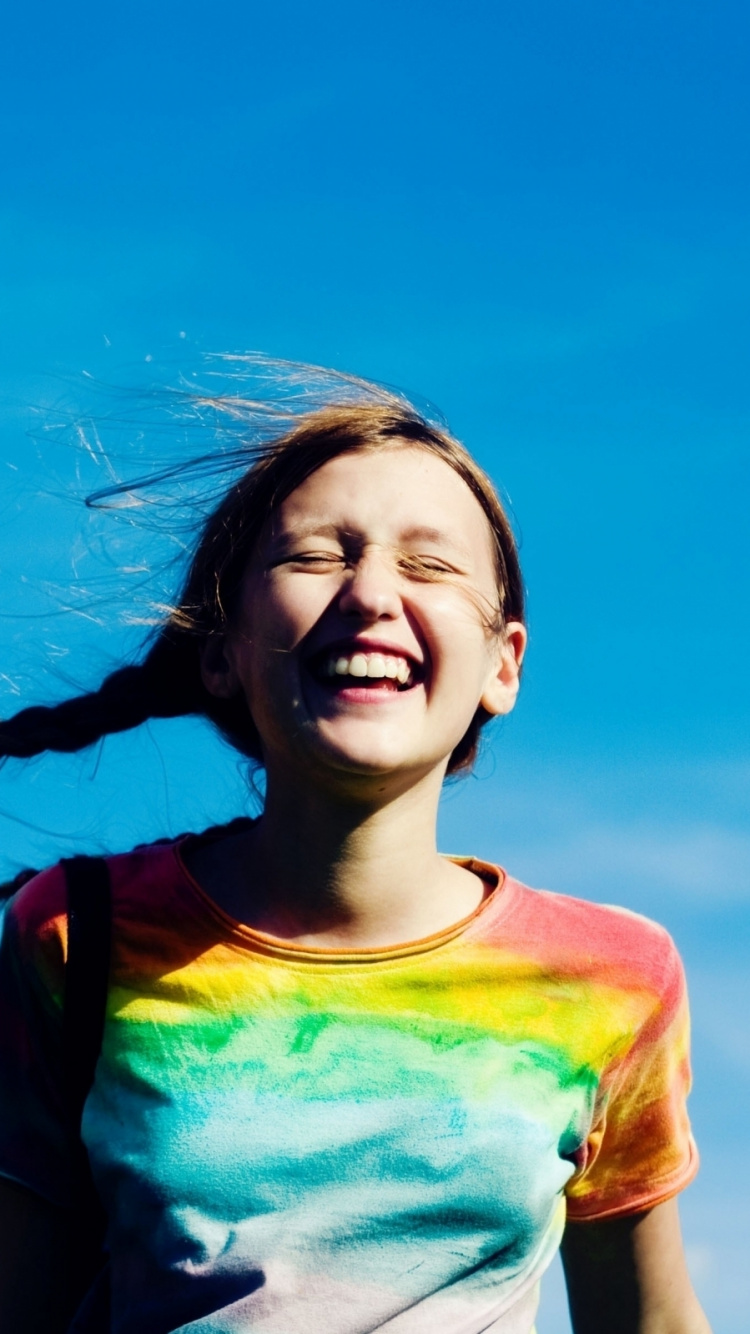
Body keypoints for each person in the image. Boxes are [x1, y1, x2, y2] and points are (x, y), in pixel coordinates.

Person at [0, 386, 711, 1333]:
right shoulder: (73, 934)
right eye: (315, 555)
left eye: (428, 564)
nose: (373, 593)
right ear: (222, 654)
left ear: (503, 665)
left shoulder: (611, 977)